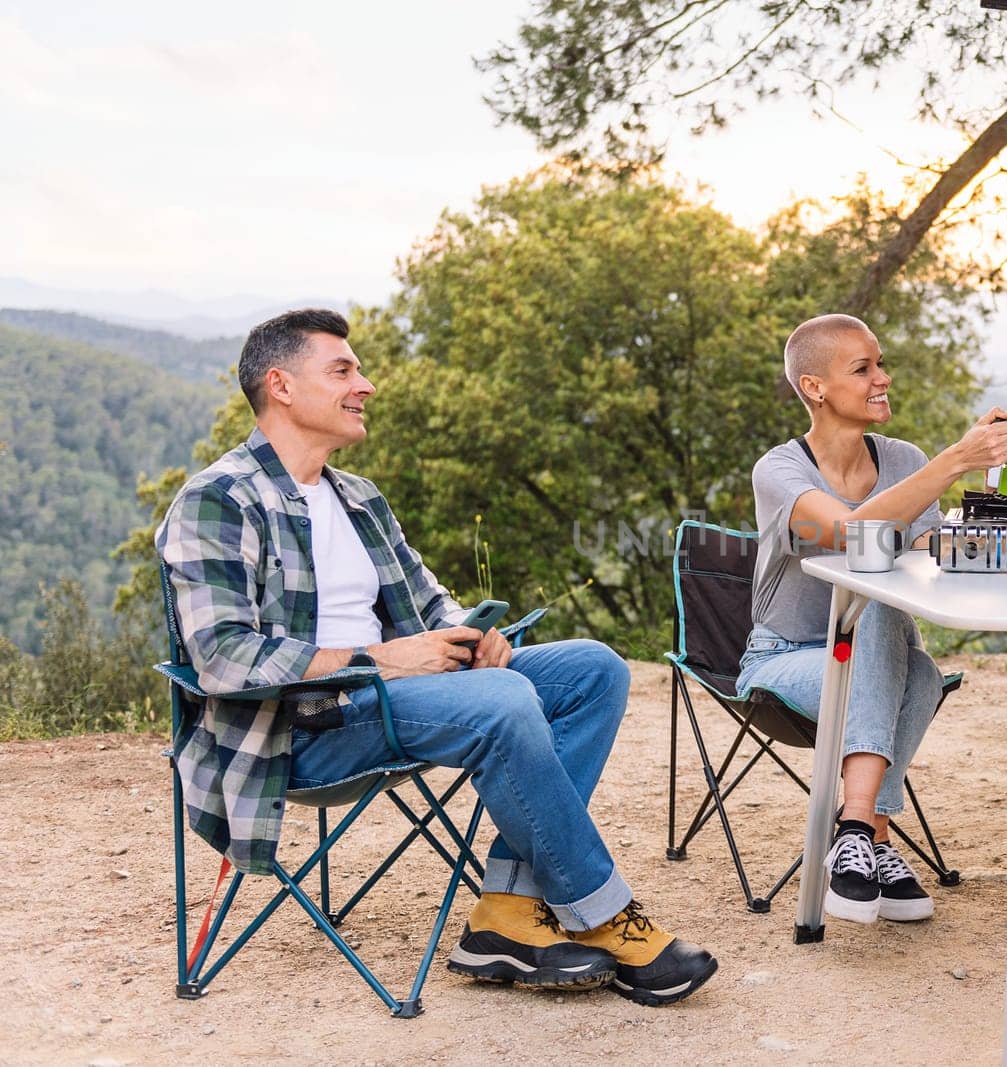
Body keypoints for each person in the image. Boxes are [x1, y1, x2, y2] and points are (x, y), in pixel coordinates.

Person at [157, 308, 716, 1007]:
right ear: (282, 386)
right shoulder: (218, 499)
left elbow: (428, 599)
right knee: (502, 700)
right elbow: (221, 656)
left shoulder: (357, 497)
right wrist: (384, 657)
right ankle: (603, 913)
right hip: (295, 730)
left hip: (390, 702)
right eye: (344, 370)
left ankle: (508, 913)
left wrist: (467, 635)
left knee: (593, 668)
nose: (367, 383)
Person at [738, 313, 1007, 924]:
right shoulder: (780, 472)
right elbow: (851, 535)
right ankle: (869, 832)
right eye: (863, 369)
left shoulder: (903, 460)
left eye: (881, 364)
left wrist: (1006, 514)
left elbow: (927, 554)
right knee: (897, 637)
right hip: (786, 659)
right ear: (815, 387)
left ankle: (856, 836)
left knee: (906, 651)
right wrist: (952, 462)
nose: (882, 378)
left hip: (876, 656)